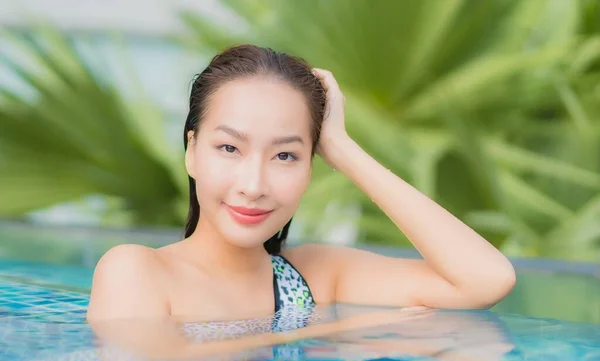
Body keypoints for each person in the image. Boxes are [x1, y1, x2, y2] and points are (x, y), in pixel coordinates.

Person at [87, 43, 515, 326]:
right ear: (191, 151)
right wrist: (328, 332)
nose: (253, 185)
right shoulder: (135, 271)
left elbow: (485, 280)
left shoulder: (312, 278)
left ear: (311, 167)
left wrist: (344, 150)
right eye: (229, 148)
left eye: (285, 155)